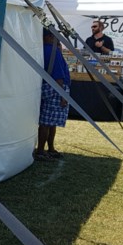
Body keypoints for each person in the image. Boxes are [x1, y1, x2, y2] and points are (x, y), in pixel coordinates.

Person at [35, 28, 72, 160]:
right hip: (57, 87)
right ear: (49, 37)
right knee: (48, 122)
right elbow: (59, 75)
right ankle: (42, 150)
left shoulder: (41, 49)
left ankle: (48, 148)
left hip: (49, 86)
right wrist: (63, 95)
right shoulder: (52, 50)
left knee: (48, 121)